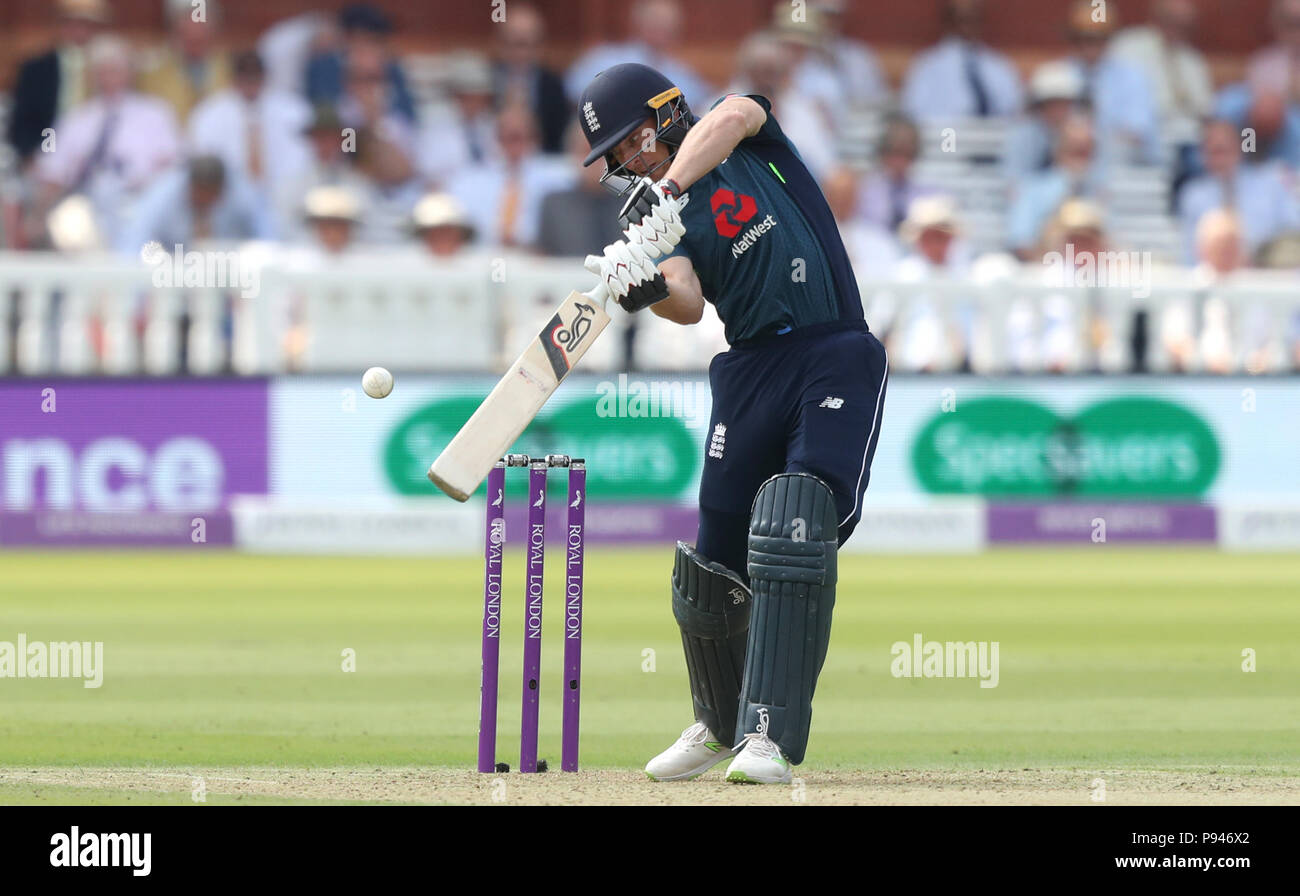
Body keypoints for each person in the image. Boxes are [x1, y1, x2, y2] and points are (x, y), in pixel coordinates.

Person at [577, 63, 888, 783]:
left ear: (665, 114)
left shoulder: (743, 134)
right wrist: (643, 283)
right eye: (616, 158)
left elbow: (731, 119)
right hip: (747, 369)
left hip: (829, 347)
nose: (626, 164)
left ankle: (767, 737)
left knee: (794, 521)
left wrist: (669, 189)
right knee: (714, 552)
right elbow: (685, 301)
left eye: (629, 144)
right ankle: (719, 725)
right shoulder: (661, 218)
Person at [188, 50, 313, 200]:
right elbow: (203, 162)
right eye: (245, 77)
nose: (251, 83)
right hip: (227, 200)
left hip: (283, 196)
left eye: (255, 77)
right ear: (234, 78)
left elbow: (304, 159)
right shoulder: (209, 115)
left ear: (265, 77)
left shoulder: (293, 111)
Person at [1177, 119, 1300, 264]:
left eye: (1225, 150)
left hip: (1267, 273)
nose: (1221, 159)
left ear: (1239, 149)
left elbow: (1294, 231)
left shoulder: (1271, 183)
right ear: (1203, 155)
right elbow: (1190, 254)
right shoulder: (1193, 196)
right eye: (1214, 152)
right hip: (1216, 277)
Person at [6, 0, 110, 167]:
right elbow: (21, 126)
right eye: (73, 24)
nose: (80, 31)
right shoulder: (36, 70)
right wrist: (33, 159)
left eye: (87, 25)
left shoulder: (111, 67)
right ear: (61, 26)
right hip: (49, 152)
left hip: (101, 160)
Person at [901, 0, 1023, 121]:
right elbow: (913, 113)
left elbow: (1015, 110)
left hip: (994, 136)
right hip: (945, 136)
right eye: (962, 19)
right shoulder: (926, 67)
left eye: (972, 18)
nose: (967, 26)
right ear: (949, 21)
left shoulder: (999, 66)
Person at [491, 3, 570, 155]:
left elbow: (559, 138)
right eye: (514, 44)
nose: (521, 53)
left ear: (539, 46)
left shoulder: (553, 86)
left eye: (527, 45)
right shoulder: (487, 81)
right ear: (500, 44)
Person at [137, 0, 232, 124]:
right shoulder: (152, 76)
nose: (195, 33)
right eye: (187, 33)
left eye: (201, 31)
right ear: (175, 31)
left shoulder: (230, 71)